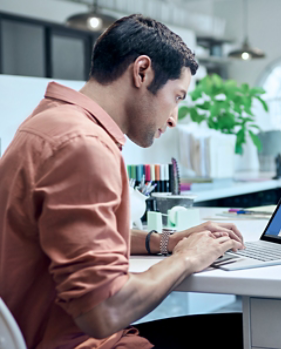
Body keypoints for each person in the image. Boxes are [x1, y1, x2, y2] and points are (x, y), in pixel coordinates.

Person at [0, 15, 245, 349]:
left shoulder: (50, 122)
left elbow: (78, 237)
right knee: (254, 332)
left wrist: (167, 242)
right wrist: (188, 258)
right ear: (142, 71)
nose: (173, 119)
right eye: (177, 97)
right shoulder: (83, 146)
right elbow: (103, 312)